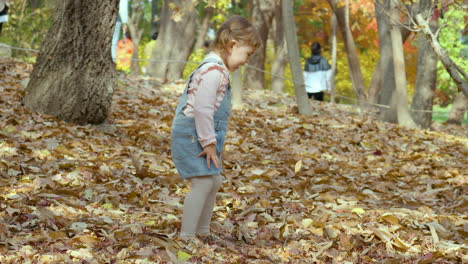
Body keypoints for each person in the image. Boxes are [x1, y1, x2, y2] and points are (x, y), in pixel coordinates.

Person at [170, 15, 261, 242]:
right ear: (233, 46)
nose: (246, 61)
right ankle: (187, 236)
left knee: (214, 180)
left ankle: (203, 231)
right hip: (193, 135)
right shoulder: (213, 71)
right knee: (203, 182)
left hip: (200, 134)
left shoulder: (218, 70)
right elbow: (202, 109)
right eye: (247, 55)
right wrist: (209, 143)